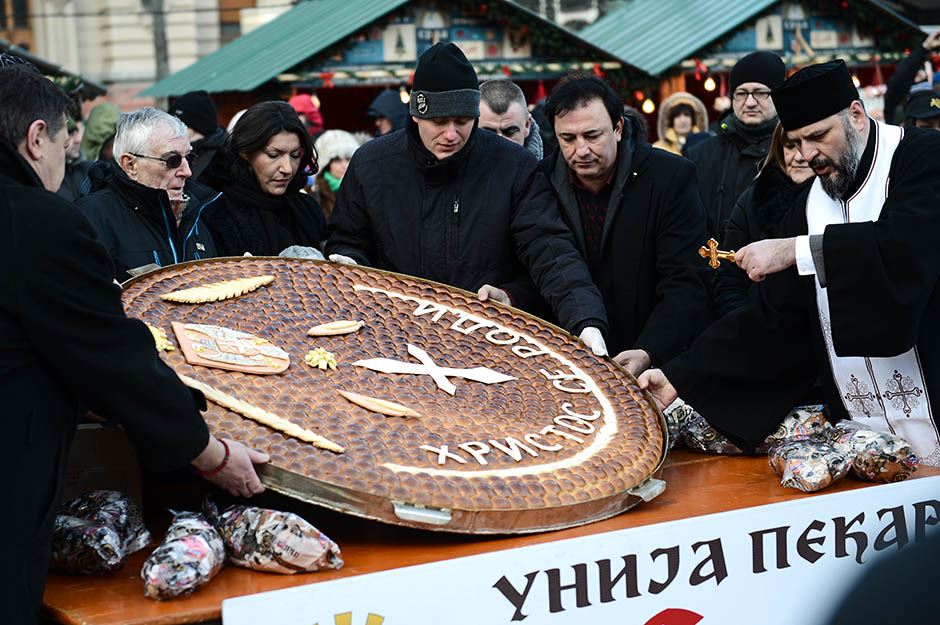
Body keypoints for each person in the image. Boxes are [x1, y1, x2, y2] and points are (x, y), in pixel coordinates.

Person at [0, 63, 266, 625]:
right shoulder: (39, 220)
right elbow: (112, 357)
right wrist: (210, 454)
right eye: (64, 143)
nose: (66, 160)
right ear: (36, 137)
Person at [640, 60, 940, 466]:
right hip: (865, 435)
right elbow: (770, 316)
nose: (808, 155)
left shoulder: (922, 156)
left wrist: (795, 250)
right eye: (797, 142)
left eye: (818, 136)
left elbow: (906, 245)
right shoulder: (812, 202)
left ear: (856, 114)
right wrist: (680, 375)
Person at [327, 43, 609, 355]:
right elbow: (348, 239)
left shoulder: (514, 166)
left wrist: (584, 320)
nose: (451, 135)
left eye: (462, 121)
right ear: (416, 114)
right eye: (439, 122)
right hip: (391, 336)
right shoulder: (372, 164)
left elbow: (549, 248)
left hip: (488, 341)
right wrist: (349, 262)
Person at [540, 75, 710, 375]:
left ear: (618, 128)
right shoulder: (541, 181)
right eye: (568, 139)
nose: (581, 150)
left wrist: (649, 350)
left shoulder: (670, 177)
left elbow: (686, 280)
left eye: (592, 136)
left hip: (653, 362)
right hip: (564, 362)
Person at [76, 108, 221, 281]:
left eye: (189, 158)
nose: (187, 171)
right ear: (130, 165)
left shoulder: (197, 211)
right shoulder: (91, 218)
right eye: (172, 160)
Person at [713, 123, 814, 317]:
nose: (799, 157)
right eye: (790, 146)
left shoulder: (840, 199)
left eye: (807, 146)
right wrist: (749, 323)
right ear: (779, 150)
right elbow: (729, 282)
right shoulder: (752, 201)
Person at [203, 100, 326, 257]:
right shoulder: (216, 211)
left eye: (295, 155)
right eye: (273, 155)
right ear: (245, 152)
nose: (287, 168)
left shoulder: (308, 209)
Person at [687, 51, 786, 238]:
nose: (750, 102)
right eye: (741, 93)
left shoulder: (796, 152)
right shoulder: (700, 155)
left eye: (760, 93)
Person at [883, 28, 940, 125]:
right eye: (926, 127)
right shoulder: (899, 104)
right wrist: (925, 47)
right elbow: (900, 79)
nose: (920, 73)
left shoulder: (936, 94)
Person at [170, 89, 227, 182]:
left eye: (176, 124)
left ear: (195, 126)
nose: (170, 130)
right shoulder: (176, 151)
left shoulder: (222, 159)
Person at [479, 79, 543, 159]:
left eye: (510, 132)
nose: (500, 145)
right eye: (489, 134)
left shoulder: (551, 164)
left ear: (527, 125)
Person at [312, 129, 360, 221]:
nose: (344, 165)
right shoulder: (315, 192)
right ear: (326, 165)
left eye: (348, 159)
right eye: (337, 160)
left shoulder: (360, 188)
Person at [652, 91, 708, 156]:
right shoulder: (658, 148)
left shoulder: (705, 145)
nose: (682, 120)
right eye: (677, 116)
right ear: (670, 121)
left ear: (693, 119)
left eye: (687, 115)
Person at [57, 108, 93, 201]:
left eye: (76, 133)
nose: (78, 140)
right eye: (70, 134)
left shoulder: (88, 169)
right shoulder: (51, 180)